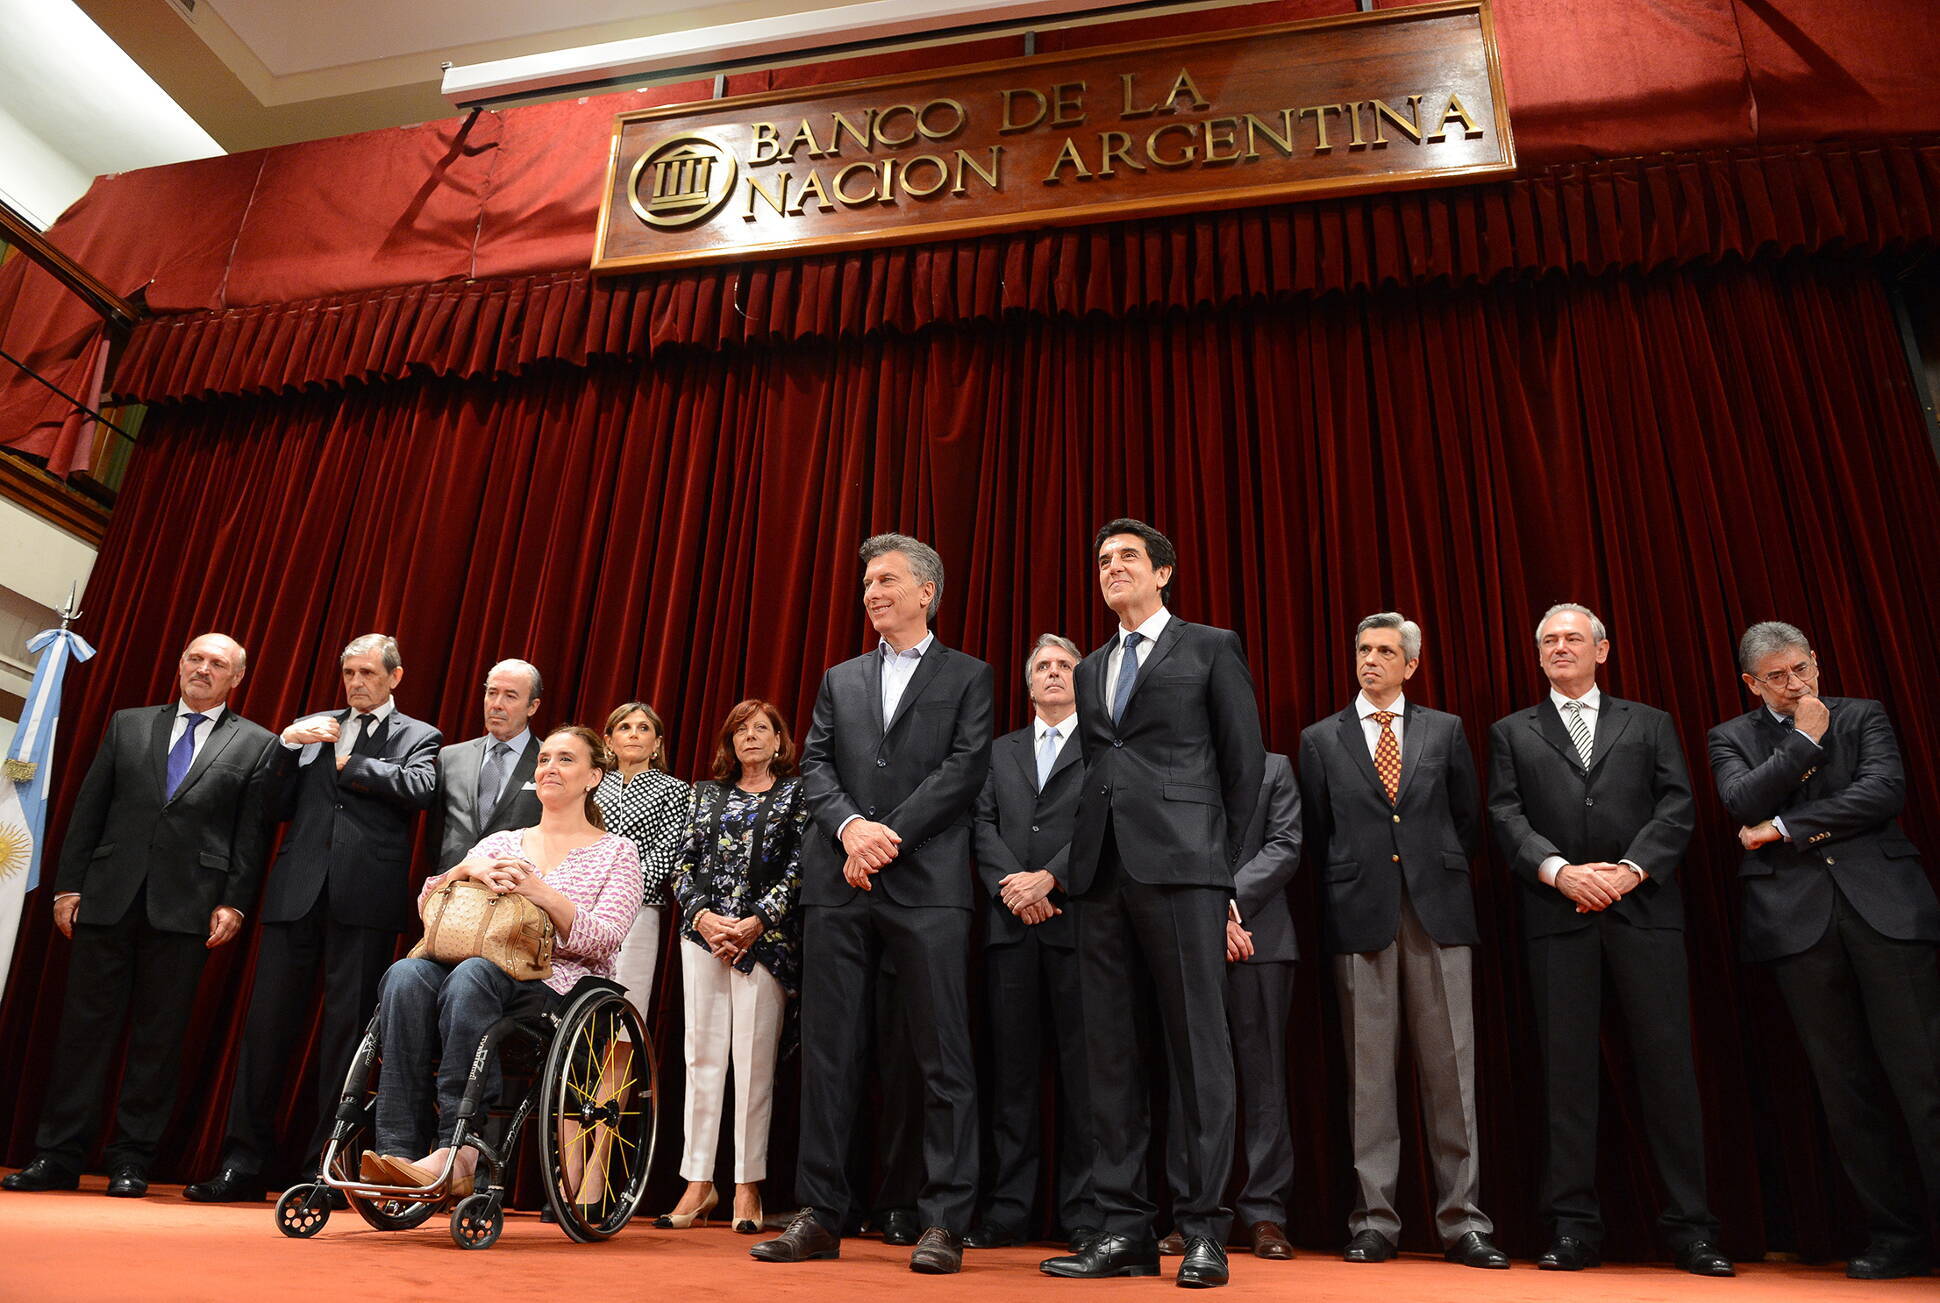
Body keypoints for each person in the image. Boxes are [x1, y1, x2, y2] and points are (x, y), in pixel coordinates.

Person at [753, 533, 993, 1275]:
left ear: (927, 591)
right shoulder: (840, 677)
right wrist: (851, 828)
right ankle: (821, 1213)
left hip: (928, 887)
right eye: (866, 584)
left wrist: (887, 836)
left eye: (886, 580)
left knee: (942, 1056)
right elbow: (817, 764)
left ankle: (943, 1218)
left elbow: (964, 769)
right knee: (829, 1054)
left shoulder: (970, 675)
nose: (872, 593)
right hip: (841, 885)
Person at [1040, 518, 1265, 1289]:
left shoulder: (1211, 647)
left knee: (1199, 1050)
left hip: (1184, 872)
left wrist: (1220, 871)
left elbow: (1243, 767)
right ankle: (1123, 1229)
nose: (1112, 567)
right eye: (1103, 559)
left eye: (1128, 556)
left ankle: (1203, 1229)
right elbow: (1097, 765)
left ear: (1163, 571)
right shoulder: (1091, 665)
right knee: (1108, 1054)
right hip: (1100, 874)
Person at [1485, 603, 1731, 1276]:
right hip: (1557, 916)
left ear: (1602, 649)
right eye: (1548, 640)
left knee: (1668, 1071)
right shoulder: (1511, 731)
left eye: (1572, 638)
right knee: (1565, 1078)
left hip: (1643, 913)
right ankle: (1572, 1228)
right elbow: (1504, 814)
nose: (1559, 647)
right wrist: (1560, 871)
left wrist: (1628, 871)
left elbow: (1677, 805)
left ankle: (1692, 1230)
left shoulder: (1649, 722)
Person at [4, 634, 276, 1199]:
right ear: (179, 664)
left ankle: (131, 1160)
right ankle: (58, 1155)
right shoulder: (128, 724)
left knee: (159, 1041)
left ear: (237, 678)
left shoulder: (257, 743)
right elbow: (89, 807)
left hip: (188, 908)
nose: (203, 669)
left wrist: (234, 901)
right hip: (107, 898)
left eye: (217, 664)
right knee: (82, 1033)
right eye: (195, 659)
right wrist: (68, 886)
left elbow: (250, 834)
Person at [1708, 620, 1940, 1280]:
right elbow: (1741, 800)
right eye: (1777, 677)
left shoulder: (1863, 715)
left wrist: (1783, 827)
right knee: (1846, 1090)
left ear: (1816, 659)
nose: (1795, 684)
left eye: (1802, 669)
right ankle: (1896, 1236)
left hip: (1885, 910)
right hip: (1797, 924)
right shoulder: (1731, 737)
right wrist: (1805, 739)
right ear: (1751, 683)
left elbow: (1883, 792)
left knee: (1925, 1076)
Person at [188, 633, 441, 1203]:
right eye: (349, 673)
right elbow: (271, 805)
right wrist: (284, 746)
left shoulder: (419, 735)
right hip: (295, 893)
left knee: (346, 1039)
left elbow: (419, 788)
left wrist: (352, 764)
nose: (356, 683)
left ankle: (322, 1170)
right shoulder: (314, 726)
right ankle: (241, 1162)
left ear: (395, 677)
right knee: (266, 1030)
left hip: (365, 900)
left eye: (368, 673)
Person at [1295, 613, 1503, 1268]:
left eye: (1386, 651)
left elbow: (1467, 819)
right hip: (1360, 915)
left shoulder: (1445, 729)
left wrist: (1427, 869)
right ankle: (1374, 1222)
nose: (1371, 660)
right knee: (1369, 1077)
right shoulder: (1319, 738)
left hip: (1438, 913)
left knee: (1452, 1073)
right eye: (1364, 649)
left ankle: (1464, 1223)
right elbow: (1317, 830)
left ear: (1410, 664)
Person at [366, 725, 643, 1192]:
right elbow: (430, 909)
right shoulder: (501, 843)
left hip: (555, 986)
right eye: (545, 759)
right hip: (471, 976)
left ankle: (460, 1149)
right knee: (406, 974)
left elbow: (606, 938)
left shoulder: (616, 852)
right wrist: (462, 869)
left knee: (473, 974)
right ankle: (397, 1148)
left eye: (566, 760)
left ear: (594, 777)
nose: (550, 767)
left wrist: (540, 893)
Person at [966, 634, 1096, 1251]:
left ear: (1082, 679)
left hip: (1079, 928)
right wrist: (1015, 887)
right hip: (1010, 928)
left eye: (1064, 665)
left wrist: (1052, 878)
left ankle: (1085, 1213)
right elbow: (981, 825)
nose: (1052, 673)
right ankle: (1008, 1210)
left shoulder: (1102, 748)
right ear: (1028, 684)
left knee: (1086, 1079)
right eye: (1042, 666)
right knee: (1013, 1077)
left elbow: (1105, 823)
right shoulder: (999, 752)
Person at [661, 699, 807, 1234]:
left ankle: (748, 1185)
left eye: (762, 728)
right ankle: (698, 1182)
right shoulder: (704, 793)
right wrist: (702, 917)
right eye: (741, 729)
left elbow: (800, 868)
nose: (751, 737)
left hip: (763, 942)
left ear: (779, 741)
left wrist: (756, 922)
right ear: (729, 740)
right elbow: (682, 863)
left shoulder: (797, 794)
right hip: (704, 938)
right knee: (701, 1058)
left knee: (753, 1065)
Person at [1161, 750, 1302, 1263]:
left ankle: (1264, 1212)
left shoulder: (1275, 768)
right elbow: (1166, 849)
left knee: (1264, 1080)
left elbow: (1285, 845)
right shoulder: (1172, 766)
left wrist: (1225, 906)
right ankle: (1193, 1213)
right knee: (1190, 1081)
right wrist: (1208, 917)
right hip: (1187, 940)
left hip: (1260, 938)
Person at [596, 701, 691, 1027]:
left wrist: (623, 892)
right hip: (585, 905)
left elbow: (666, 851)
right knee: (578, 996)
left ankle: (619, 1063)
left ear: (657, 743)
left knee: (627, 1001)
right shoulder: (591, 783)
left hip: (640, 906)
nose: (634, 734)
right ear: (609, 741)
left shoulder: (674, 790)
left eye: (643, 728)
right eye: (624, 727)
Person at [428, 660, 543, 874]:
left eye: (510, 696)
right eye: (492, 693)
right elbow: (435, 833)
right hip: (454, 881)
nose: (496, 704)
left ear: (532, 707)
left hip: (513, 884)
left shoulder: (547, 762)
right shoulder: (451, 757)